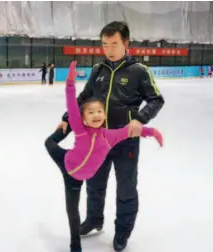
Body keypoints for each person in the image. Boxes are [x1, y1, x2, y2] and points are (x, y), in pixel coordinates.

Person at [55, 21, 165, 251]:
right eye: (105, 44)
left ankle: (122, 231)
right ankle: (94, 219)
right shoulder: (98, 70)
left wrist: (140, 119)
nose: (109, 49)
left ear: (126, 43)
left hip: (125, 140)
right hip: (97, 141)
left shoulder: (138, 71)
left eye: (114, 44)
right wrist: (67, 117)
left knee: (126, 187)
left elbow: (156, 99)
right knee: (95, 184)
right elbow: (84, 97)